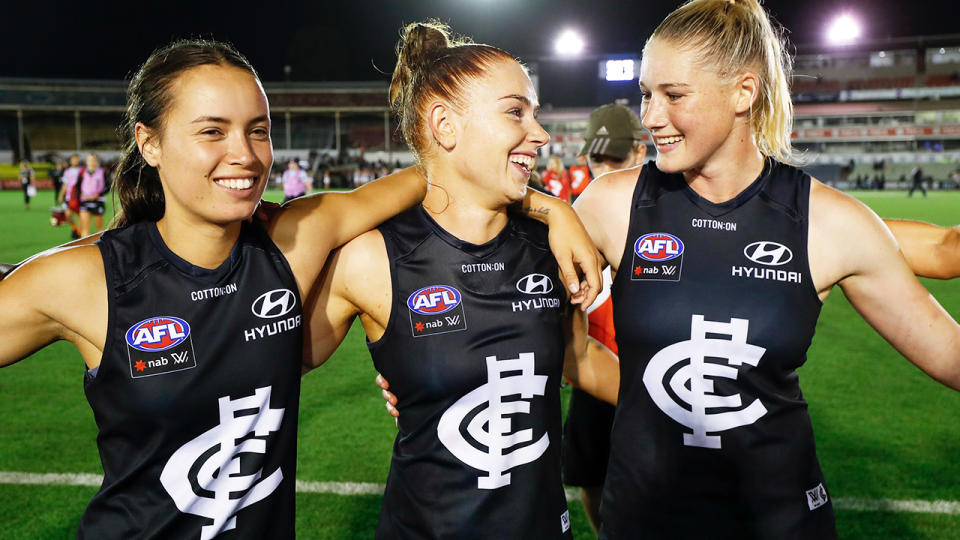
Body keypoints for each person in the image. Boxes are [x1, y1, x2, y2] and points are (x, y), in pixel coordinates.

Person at [0, 39, 599, 540]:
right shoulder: (86, 278)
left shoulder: (298, 239)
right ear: (149, 142)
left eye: (257, 131)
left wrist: (551, 209)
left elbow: (440, 173)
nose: (243, 153)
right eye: (212, 131)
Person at [569, 1, 960, 538]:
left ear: (743, 93)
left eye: (674, 95)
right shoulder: (611, 204)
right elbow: (496, 287)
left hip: (780, 520)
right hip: (643, 520)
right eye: (647, 94)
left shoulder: (829, 221)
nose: (651, 117)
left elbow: (951, 355)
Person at [304, 21, 612, 540]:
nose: (539, 134)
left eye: (535, 114)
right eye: (516, 112)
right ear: (444, 126)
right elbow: (261, 369)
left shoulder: (551, 246)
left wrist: (687, 414)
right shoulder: (369, 258)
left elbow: (579, 359)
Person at [561, 103, 646, 533]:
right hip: (595, 374)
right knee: (589, 474)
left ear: (640, 152)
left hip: (661, 379)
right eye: (598, 159)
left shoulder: (677, 215)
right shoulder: (569, 223)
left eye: (616, 157)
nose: (606, 168)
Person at [78, 153, 107, 236]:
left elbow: (108, 186)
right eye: (90, 160)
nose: (92, 162)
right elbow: (77, 186)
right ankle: (84, 247)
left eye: (94, 160)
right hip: (85, 201)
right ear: (87, 162)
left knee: (99, 227)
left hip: (98, 201)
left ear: (97, 161)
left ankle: (101, 246)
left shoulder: (102, 172)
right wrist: (81, 195)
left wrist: (98, 194)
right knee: (85, 228)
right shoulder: (82, 172)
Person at [58, 153, 83, 238]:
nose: (75, 161)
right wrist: (61, 195)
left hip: (79, 197)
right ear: (71, 161)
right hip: (69, 196)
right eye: (73, 159)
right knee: (68, 214)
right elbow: (65, 184)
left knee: (80, 215)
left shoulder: (82, 170)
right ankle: (74, 228)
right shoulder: (67, 171)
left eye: (77, 159)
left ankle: (79, 232)